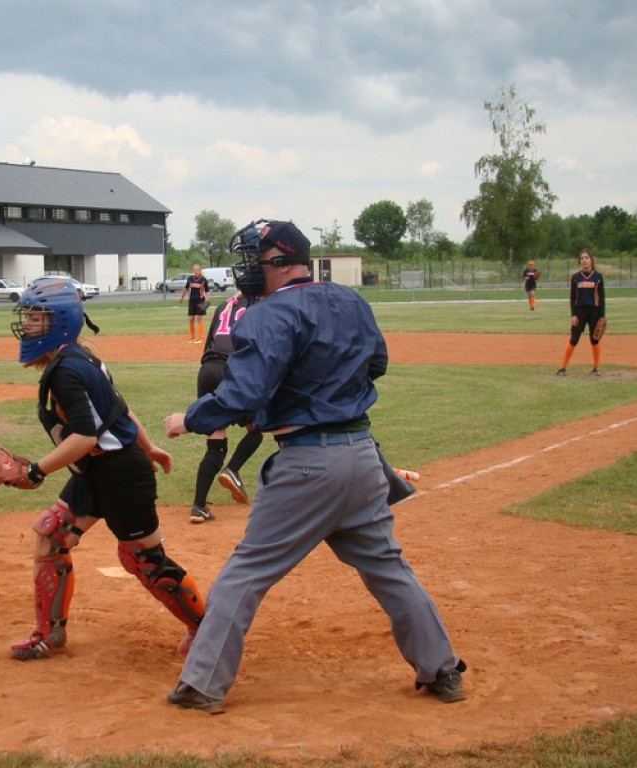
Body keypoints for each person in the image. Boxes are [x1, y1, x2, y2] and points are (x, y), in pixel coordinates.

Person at [162, 220, 466, 714]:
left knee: (246, 571)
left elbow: (243, 394)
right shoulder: (350, 301)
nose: (246, 270)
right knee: (389, 569)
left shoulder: (264, 315)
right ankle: (443, 669)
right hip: (363, 457)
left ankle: (202, 685)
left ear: (280, 261)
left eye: (253, 259)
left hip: (307, 463)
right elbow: (376, 365)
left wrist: (188, 419)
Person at [7, 276, 206, 660]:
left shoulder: (67, 369)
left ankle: (205, 626)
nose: (27, 325)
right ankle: (49, 634)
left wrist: (35, 471)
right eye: (28, 316)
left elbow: (85, 436)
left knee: (143, 559)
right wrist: (149, 446)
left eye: (36, 317)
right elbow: (120, 409)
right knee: (52, 537)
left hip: (120, 475)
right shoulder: (80, 357)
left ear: (59, 321)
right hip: (97, 472)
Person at [188, 291, 265, 524]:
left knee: (216, 440)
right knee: (256, 427)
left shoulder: (224, 304)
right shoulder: (256, 306)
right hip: (231, 370)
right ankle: (231, 469)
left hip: (208, 368)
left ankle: (198, 507)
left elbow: (211, 339)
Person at [556, 249, 605, 377]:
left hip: (594, 311)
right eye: (582, 258)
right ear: (579, 261)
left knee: (594, 340)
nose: (584, 260)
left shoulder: (598, 277)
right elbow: (572, 298)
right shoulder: (576, 278)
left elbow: (602, 298)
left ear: (591, 260)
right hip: (580, 312)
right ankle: (563, 367)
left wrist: (602, 316)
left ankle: (596, 368)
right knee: (574, 339)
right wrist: (573, 314)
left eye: (586, 257)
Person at [178, 264, 210, 343]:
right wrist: (182, 298)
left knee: (199, 319)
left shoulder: (203, 279)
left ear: (200, 270)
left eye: (197, 270)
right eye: (194, 270)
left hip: (200, 300)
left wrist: (206, 301)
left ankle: (199, 338)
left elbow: (207, 291)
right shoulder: (190, 279)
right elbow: (186, 288)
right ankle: (192, 338)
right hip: (192, 300)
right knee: (191, 319)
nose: (195, 271)